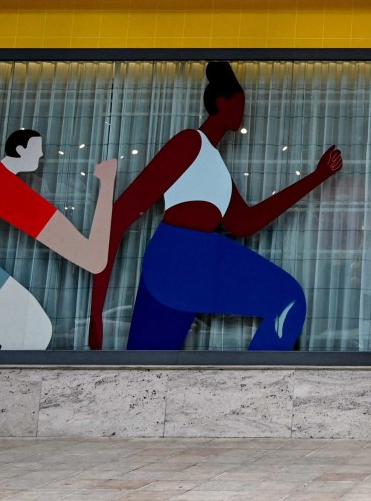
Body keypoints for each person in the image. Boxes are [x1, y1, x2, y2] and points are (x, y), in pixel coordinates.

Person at [89, 61, 342, 351]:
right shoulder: (189, 143)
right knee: (288, 298)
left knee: (148, 366)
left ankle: (255, 387)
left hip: (177, 264)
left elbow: (246, 223)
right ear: (221, 103)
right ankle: (255, 388)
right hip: (182, 255)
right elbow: (121, 215)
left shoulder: (217, 168)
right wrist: (95, 312)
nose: (243, 114)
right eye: (239, 105)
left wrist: (317, 177)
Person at [0, 124, 117, 349]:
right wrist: (108, 183)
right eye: (37, 149)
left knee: (28, 331)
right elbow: (93, 259)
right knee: (31, 331)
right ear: (20, 149)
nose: (42, 155)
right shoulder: (9, 191)